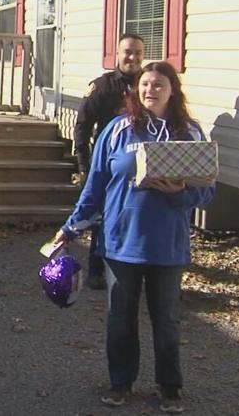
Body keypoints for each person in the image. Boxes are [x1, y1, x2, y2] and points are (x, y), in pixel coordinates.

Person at [53, 61, 215, 413]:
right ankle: (120, 383)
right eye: (144, 84)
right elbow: (95, 186)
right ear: (135, 90)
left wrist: (179, 192)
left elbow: (206, 192)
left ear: (172, 90)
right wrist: (71, 226)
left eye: (158, 84)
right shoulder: (117, 130)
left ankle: (169, 387)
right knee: (120, 318)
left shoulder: (189, 133)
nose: (150, 90)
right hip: (121, 242)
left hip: (167, 244)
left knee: (167, 320)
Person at [73, 33, 146, 290]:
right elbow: (82, 126)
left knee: (137, 216)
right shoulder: (103, 87)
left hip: (141, 164)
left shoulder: (148, 85)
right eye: (128, 52)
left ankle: (135, 267)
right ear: (117, 53)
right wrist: (83, 165)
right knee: (102, 217)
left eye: (138, 53)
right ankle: (96, 269)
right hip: (108, 163)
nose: (133, 57)